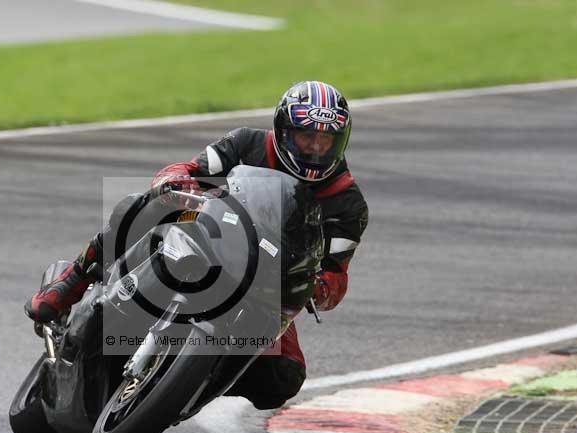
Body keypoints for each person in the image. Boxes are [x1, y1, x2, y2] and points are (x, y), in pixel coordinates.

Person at [25, 81, 369, 409]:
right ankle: (71, 281)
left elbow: (337, 274)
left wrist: (321, 289)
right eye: (306, 136)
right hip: (210, 236)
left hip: (267, 286)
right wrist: (176, 183)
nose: (315, 148)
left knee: (285, 378)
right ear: (282, 131)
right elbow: (187, 168)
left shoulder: (347, 203)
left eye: (326, 141)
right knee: (137, 204)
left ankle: (193, 380)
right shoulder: (247, 144)